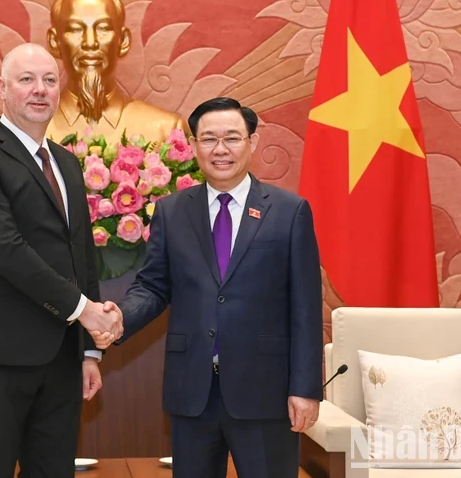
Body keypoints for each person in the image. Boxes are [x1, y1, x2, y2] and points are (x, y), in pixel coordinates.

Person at [101, 97, 323, 477]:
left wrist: (305, 388)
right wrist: (120, 316)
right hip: (193, 390)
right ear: (193, 147)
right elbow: (153, 286)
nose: (220, 149)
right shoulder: (172, 211)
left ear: (251, 142)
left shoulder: (289, 212)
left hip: (265, 391)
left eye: (232, 138)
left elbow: (306, 307)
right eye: (208, 139)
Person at [0, 43, 123, 478]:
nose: (39, 90)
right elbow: (6, 250)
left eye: (49, 80)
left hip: (60, 357)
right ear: (3, 89)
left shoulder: (65, 161)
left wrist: (89, 353)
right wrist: (86, 313)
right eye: (26, 80)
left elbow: (81, 255)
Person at [45, 0, 189, 144]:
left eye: (103, 29)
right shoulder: (27, 132)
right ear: (54, 42)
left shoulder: (166, 130)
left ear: (123, 41)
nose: (90, 43)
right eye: (75, 29)